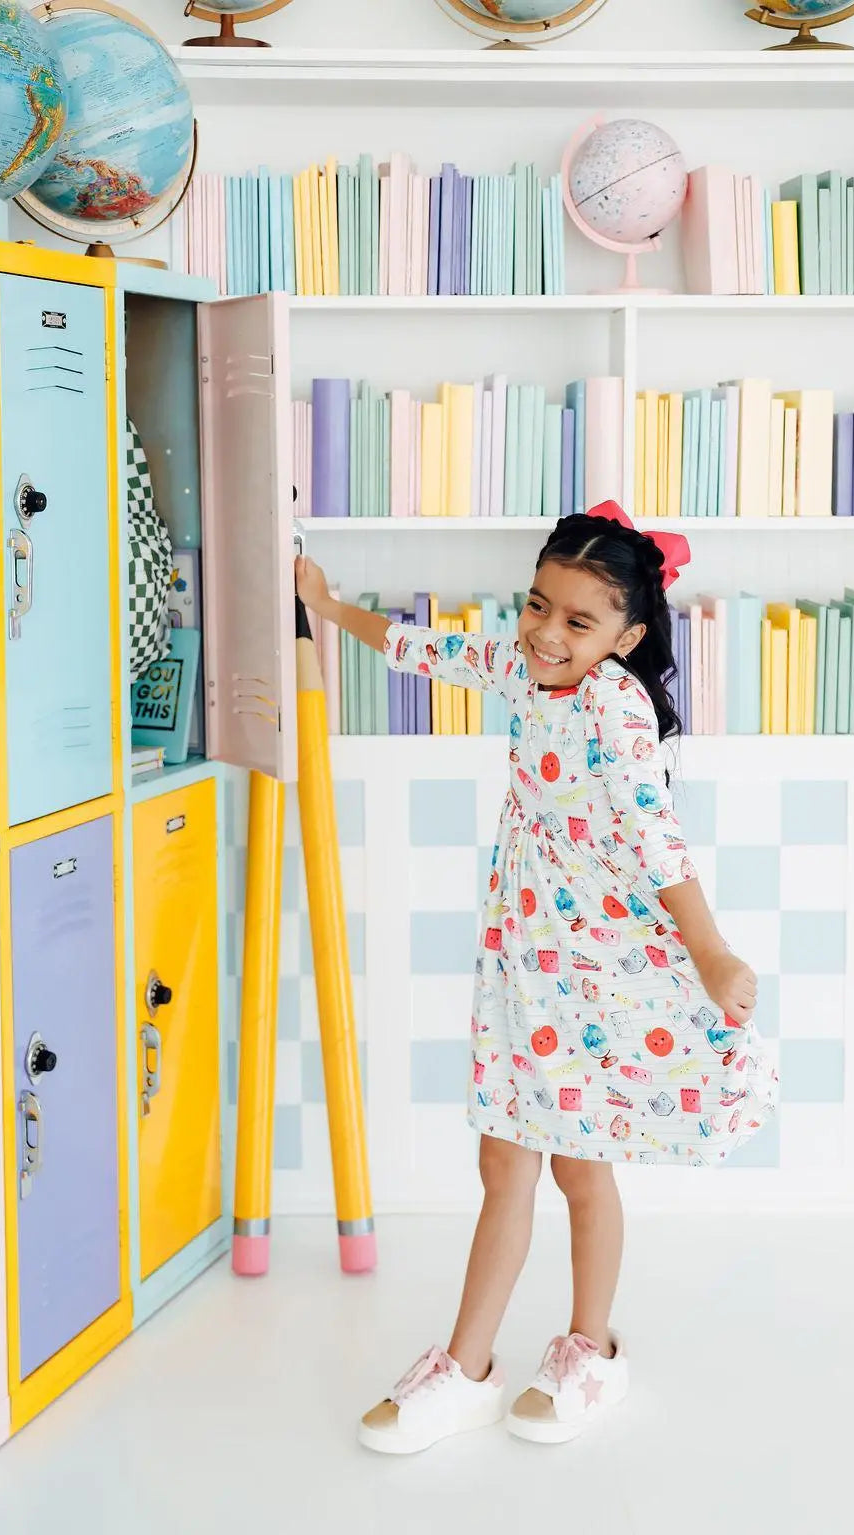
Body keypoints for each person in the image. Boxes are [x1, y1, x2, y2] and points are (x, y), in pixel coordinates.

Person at [294, 501, 779, 1456]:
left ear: (629, 636)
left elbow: (657, 840)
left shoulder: (614, 706)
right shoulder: (525, 671)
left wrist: (713, 950)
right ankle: (466, 1369)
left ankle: (591, 1347)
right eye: (537, 606)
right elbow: (423, 650)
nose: (548, 633)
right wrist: (326, 605)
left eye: (579, 620)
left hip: (600, 976)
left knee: (578, 1165)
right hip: (523, 964)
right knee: (505, 1163)